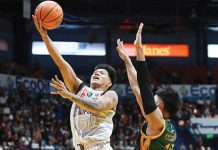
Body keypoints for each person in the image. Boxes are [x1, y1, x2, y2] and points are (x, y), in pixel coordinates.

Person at [32, 15, 118, 150]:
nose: (96, 73)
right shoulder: (81, 89)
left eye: (102, 73)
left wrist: (69, 95)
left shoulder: (111, 94)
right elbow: (61, 62)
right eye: (95, 72)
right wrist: (44, 37)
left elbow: (97, 106)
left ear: (109, 83)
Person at [116, 23, 181, 150]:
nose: (151, 99)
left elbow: (143, 86)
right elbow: (137, 87)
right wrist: (127, 60)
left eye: (155, 98)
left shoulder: (157, 122)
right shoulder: (166, 125)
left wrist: (140, 50)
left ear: (159, 104)